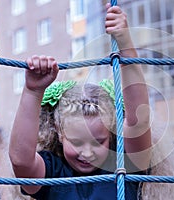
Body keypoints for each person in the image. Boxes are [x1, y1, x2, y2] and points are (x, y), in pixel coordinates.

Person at [9, 3, 151, 200]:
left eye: (98, 142)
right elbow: (20, 161)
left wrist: (125, 44)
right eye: (76, 142)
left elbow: (139, 120)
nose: (87, 152)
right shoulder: (53, 173)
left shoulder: (125, 164)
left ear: (111, 134)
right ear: (59, 132)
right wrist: (33, 91)